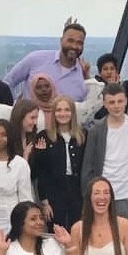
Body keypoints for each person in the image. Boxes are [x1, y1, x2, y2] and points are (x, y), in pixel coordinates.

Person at [81, 83, 128, 227]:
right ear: (104, 104)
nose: (116, 106)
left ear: (126, 101)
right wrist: (89, 197)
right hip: (104, 198)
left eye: (120, 101)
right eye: (111, 102)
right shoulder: (96, 130)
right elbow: (88, 166)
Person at [30, 95, 85, 227]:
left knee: (76, 231)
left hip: (77, 193)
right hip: (54, 193)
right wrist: (44, 202)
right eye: (59, 110)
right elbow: (40, 172)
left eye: (67, 110)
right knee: (55, 232)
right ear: (54, 113)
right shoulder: (45, 136)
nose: (63, 114)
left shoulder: (83, 135)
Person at [6, 20, 88, 103]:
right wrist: (13, 109)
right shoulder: (36, 59)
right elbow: (7, 83)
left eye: (79, 43)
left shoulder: (83, 76)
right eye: (70, 41)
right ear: (61, 40)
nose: (74, 46)